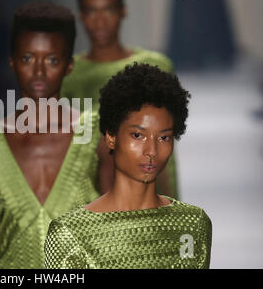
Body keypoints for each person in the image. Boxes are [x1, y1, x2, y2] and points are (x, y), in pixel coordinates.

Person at [0, 1, 113, 269]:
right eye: (27, 58)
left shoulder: (96, 136)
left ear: (69, 66)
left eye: (51, 60)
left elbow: (110, 239)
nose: (38, 71)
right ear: (12, 63)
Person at [45, 63, 212, 269]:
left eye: (164, 137)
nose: (151, 150)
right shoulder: (68, 232)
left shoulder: (193, 224)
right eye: (137, 135)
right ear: (111, 138)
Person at [61, 0, 178, 198]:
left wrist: (170, 201)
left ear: (123, 11)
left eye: (108, 10)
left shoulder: (155, 66)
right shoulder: (69, 75)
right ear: (81, 16)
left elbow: (165, 142)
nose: (100, 20)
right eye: (91, 12)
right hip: (88, 195)